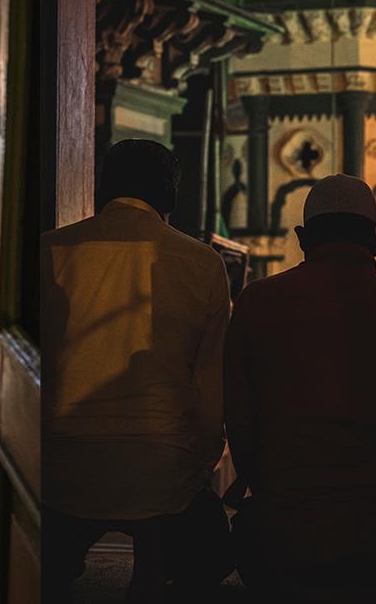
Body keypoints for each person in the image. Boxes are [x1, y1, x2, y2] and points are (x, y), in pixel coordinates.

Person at [224, 173, 376, 603]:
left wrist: (277, 490)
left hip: (283, 546)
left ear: (302, 237)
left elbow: (240, 425)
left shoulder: (256, 303)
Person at [42, 139, 233, 602]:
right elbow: (212, 389)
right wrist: (203, 466)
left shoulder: (49, 250)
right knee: (208, 554)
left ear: (101, 189)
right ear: (170, 196)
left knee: (51, 562)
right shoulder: (202, 262)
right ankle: (154, 564)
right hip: (163, 464)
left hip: (61, 464)